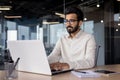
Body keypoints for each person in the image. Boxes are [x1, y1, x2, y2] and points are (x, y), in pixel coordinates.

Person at [48, 6, 96, 70]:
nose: (68, 24)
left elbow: (90, 62)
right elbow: (54, 56)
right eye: (66, 21)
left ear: (80, 23)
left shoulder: (89, 38)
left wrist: (67, 65)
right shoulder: (62, 39)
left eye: (72, 21)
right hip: (63, 74)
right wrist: (43, 62)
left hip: (80, 75)